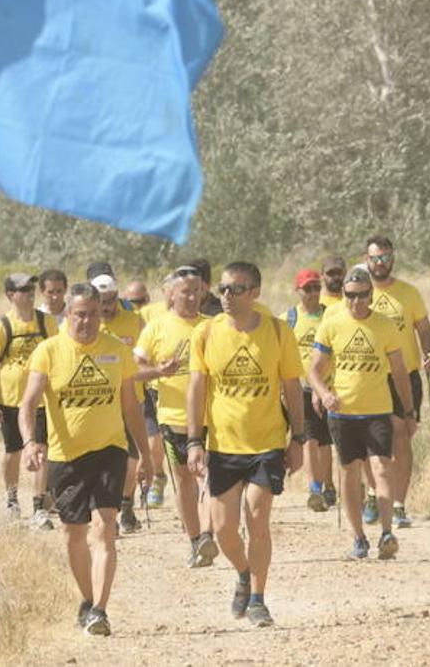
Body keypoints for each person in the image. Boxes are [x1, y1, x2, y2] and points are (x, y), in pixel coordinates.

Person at [19, 283, 152, 637]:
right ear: (67, 313)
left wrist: (147, 455)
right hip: (66, 457)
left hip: (110, 450)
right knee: (71, 535)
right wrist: (31, 442)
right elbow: (28, 404)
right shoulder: (49, 352)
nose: (87, 321)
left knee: (104, 528)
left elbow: (130, 407)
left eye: (93, 313)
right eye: (80, 314)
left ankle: (100, 610)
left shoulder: (116, 351)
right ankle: (87, 599)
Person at [186, 262, 305, 628]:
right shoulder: (206, 332)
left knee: (257, 516)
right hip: (223, 445)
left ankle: (257, 598)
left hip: (266, 443)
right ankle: (242, 572)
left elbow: (291, 389)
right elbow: (197, 389)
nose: (225, 296)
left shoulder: (276, 331)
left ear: (254, 293)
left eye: (235, 289)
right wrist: (194, 440)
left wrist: (298, 438)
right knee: (222, 530)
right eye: (222, 289)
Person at [307, 267, 411, 560]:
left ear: (371, 295)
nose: (356, 302)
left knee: (382, 467)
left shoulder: (385, 326)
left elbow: (400, 371)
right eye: (350, 296)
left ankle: (387, 532)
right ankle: (358, 537)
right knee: (350, 472)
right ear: (343, 295)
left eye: (362, 295)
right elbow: (314, 369)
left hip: (378, 409)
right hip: (343, 413)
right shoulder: (332, 324)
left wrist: (408, 409)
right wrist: (324, 393)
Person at [134, 270, 217, 567]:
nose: (193, 297)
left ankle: (207, 533)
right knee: (183, 480)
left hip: (212, 417)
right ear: (171, 294)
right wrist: (159, 371)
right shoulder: (156, 328)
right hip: (173, 417)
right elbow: (133, 370)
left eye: (197, 291)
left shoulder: (213, 326)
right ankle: (195, 541)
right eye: (186, 292)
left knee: (208, 476)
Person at [363, 235, 430, 529]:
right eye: (375, 258)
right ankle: (372, 493)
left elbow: (424, 328)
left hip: (405, 375)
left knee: (403, 435)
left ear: (393, 258)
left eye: (384, 257)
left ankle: (398, 504)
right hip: (368, 376)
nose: (380, 263)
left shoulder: (409, 293)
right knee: (368, 439)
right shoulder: (359, 293)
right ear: (366, 259)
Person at [0, 272, 59, 528]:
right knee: (13, 452)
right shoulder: (1, 326)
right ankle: (12, 500)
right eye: (23, 289)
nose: (29, 292)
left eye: (31, 288)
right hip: (10, 401)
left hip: (41, 400)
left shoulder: (46, 322)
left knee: (41, 450)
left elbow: (57, 356)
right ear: (10, 295)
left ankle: (39, 507)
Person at [93, 274, 149, 532]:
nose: (107, 305)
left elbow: (147, 355)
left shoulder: (135, 321)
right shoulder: (89, 325)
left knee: (132, 458)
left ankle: (126, 504)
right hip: (100, 405)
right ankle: (109, 512)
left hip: (132, 400)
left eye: (112, 299)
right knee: (105, 461)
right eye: (102, 301)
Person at [287, 268, 335, 512]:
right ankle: (313, 487)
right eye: (308, 288)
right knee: (309, 439)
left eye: (317, 287)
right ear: (298, 290)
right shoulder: (289, 318)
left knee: (326, 441)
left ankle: (328, 484)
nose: (314, 293)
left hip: (329, 388)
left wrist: (326, 387)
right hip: (301, 388)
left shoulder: (331, 315)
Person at [124, 277, 166, 503]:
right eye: (131, 302)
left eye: (139, 301)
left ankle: (155, 478)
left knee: (153, 441)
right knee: (139, 445)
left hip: (151, 388)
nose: (136, 307)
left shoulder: (155, 314)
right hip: (132, 390)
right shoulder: (125, 318)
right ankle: (140, 487)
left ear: (148, 299)